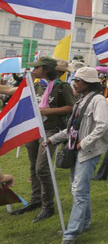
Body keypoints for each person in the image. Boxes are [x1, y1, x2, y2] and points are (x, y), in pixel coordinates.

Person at [45, 67, 108, 244]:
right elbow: (71, 129)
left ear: (88, 83)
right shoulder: (80, 100)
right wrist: (52, 139)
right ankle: (84, 223)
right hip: (77, 150)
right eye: (75, 79)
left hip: (88, 151)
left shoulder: (98, 100)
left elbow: (103, 124)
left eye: (78, 80)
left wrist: (85, 142)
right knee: (80, 190)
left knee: (79, 191)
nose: (74, 83)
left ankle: (71, 234)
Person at [10, 57, 75, 223]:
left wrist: (48, 112)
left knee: (42, 168)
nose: (34, 70)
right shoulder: (38, 85)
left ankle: (48, 205)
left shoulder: (62, 87)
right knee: (33, 167)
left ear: (46, 69)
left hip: (51, 130)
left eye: (37, 68)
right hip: (35, 129)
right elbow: (14, 92)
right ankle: (36, 199)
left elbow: (71, 107)